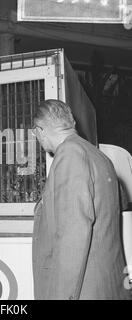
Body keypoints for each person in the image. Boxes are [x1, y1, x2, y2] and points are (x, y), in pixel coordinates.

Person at [32, 99, 131, 300]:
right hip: (106, 285)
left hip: (84, 289)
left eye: (36, 135)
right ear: (72, 124)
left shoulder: (70, 154)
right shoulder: (98, 156)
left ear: (40, 130)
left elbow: (73, 233)